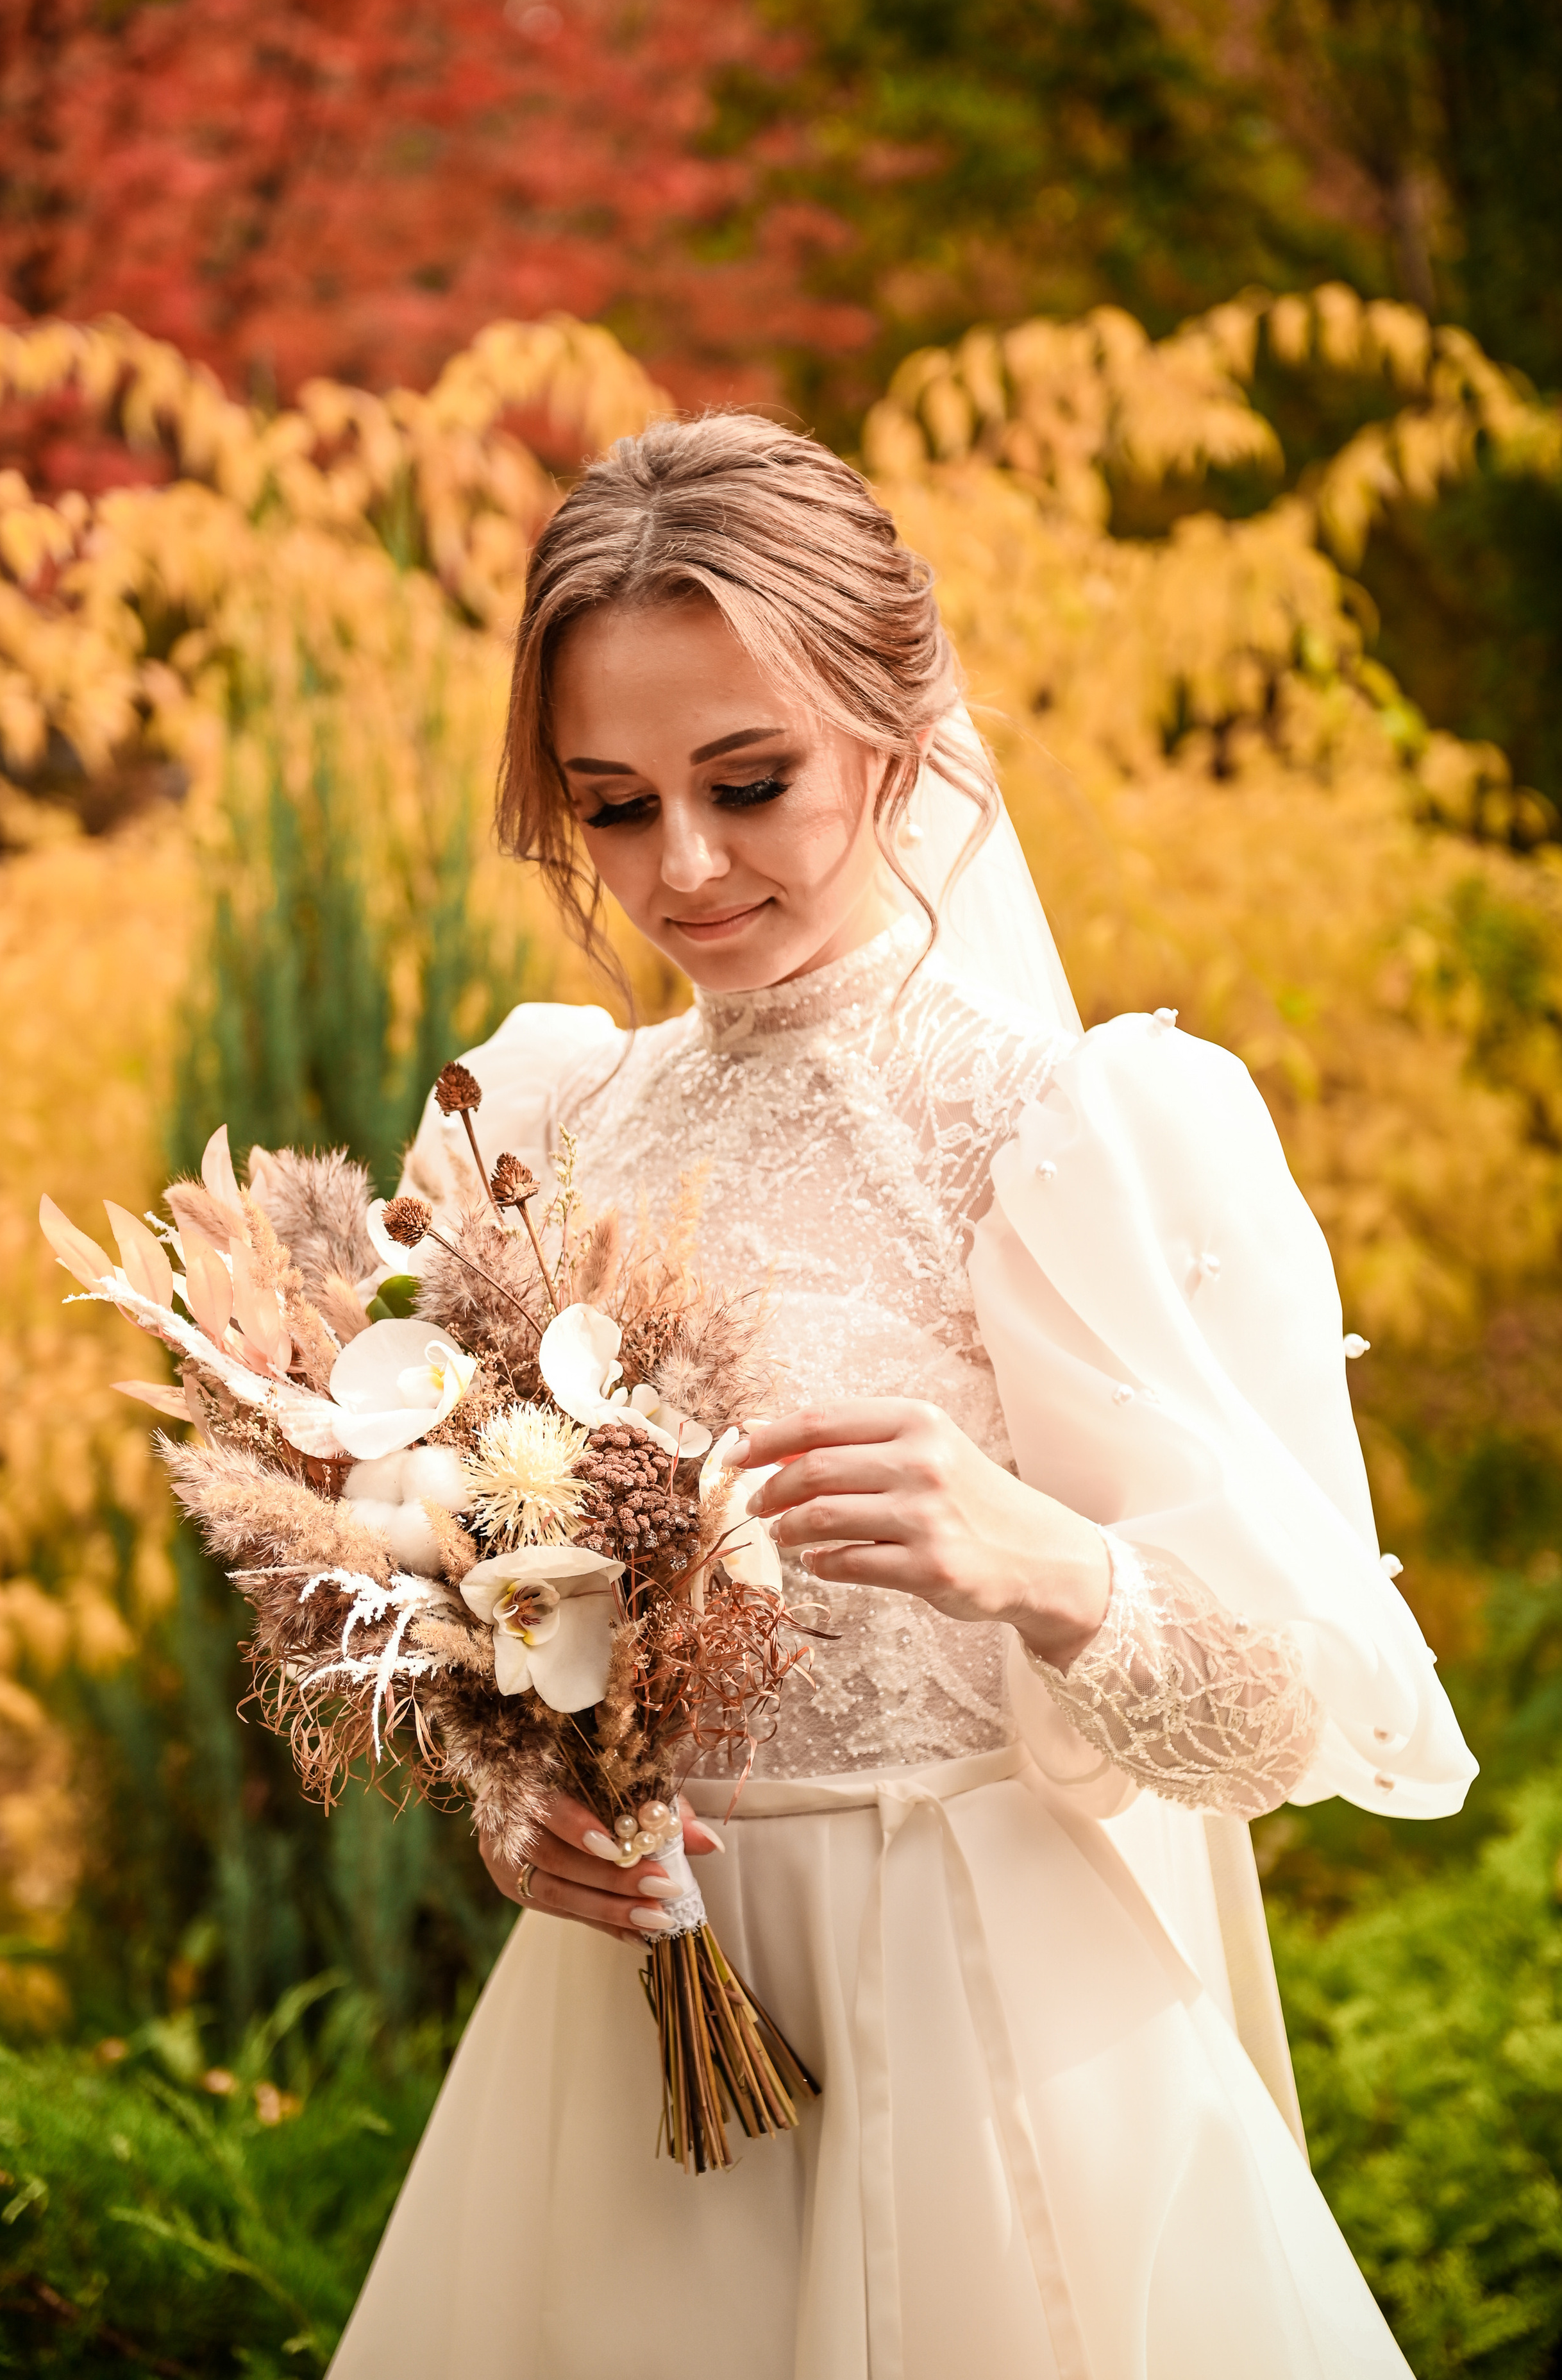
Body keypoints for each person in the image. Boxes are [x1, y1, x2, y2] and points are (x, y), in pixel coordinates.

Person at [329, 412, 1475, 2380]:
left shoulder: (1072, 1131)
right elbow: (498, 1627)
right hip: (635, 2057)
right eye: (612, 805)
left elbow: (1298, 1708)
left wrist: (1043, 1562)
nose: (681, 866)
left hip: (991, 2027)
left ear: (894, 720)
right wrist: (533, 1811)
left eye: (747, 780)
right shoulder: (541, 1132)